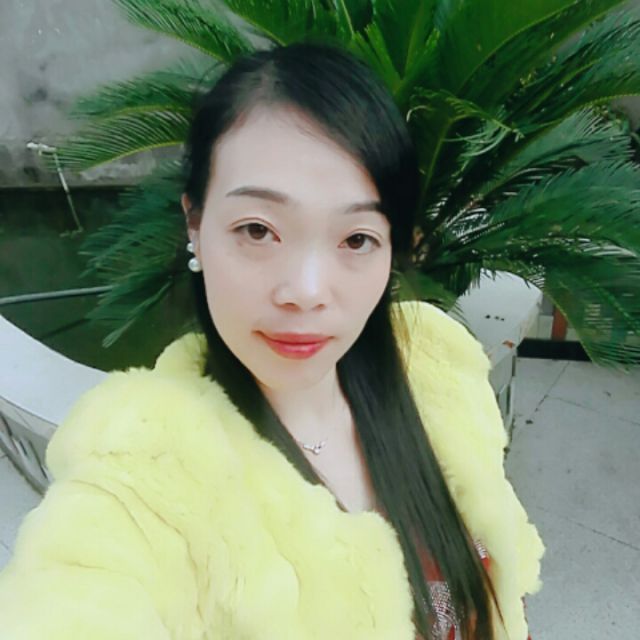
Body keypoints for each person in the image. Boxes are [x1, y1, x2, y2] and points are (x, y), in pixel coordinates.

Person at [0, 42, 544, 639]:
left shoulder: (437, 372)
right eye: (258, 230)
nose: (305, 292)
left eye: (356, 239)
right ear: (195, 226)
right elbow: (76, 595)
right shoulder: (149, 470)